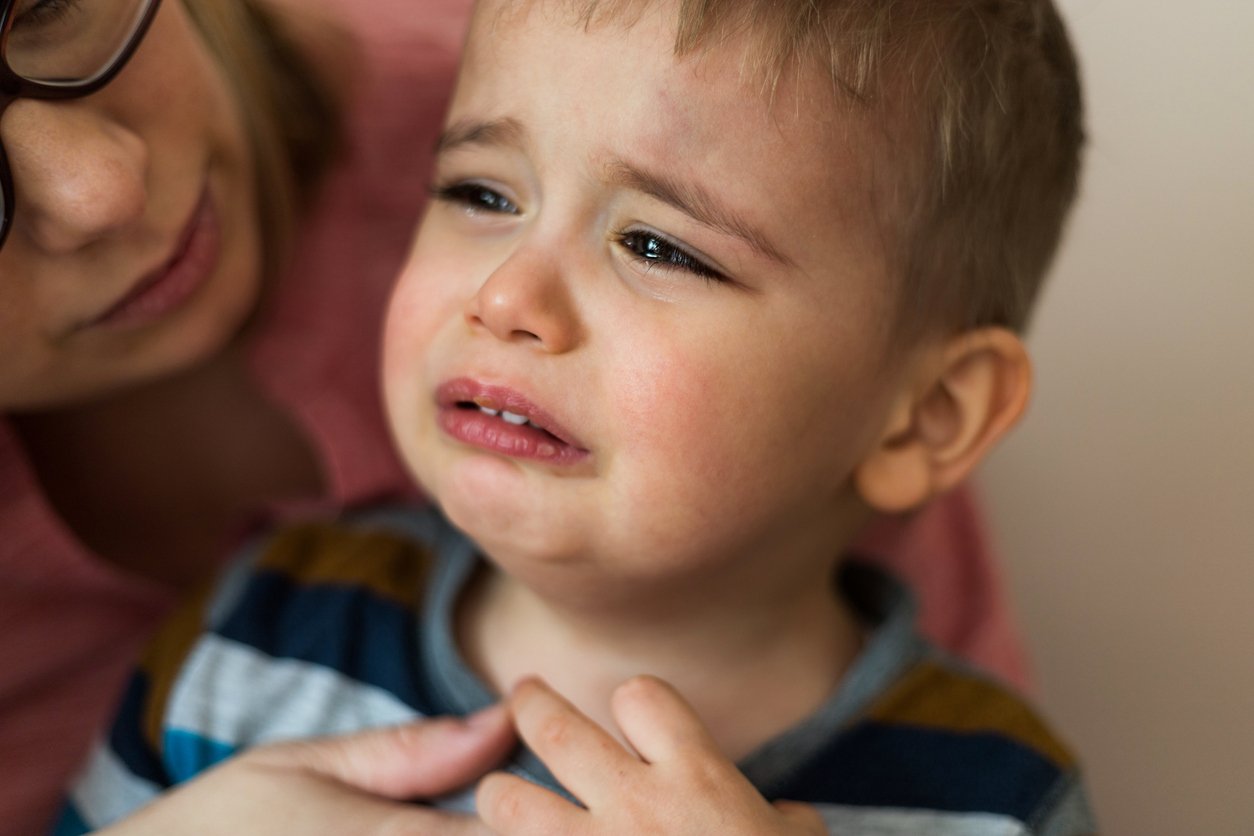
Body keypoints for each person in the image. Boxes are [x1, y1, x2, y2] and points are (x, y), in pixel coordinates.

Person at [57, 0, 1093, 833]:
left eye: (659, 247)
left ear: (927, 417)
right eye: (480, 193)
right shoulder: (259, 628)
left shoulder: (995, 795)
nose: (506, 297)